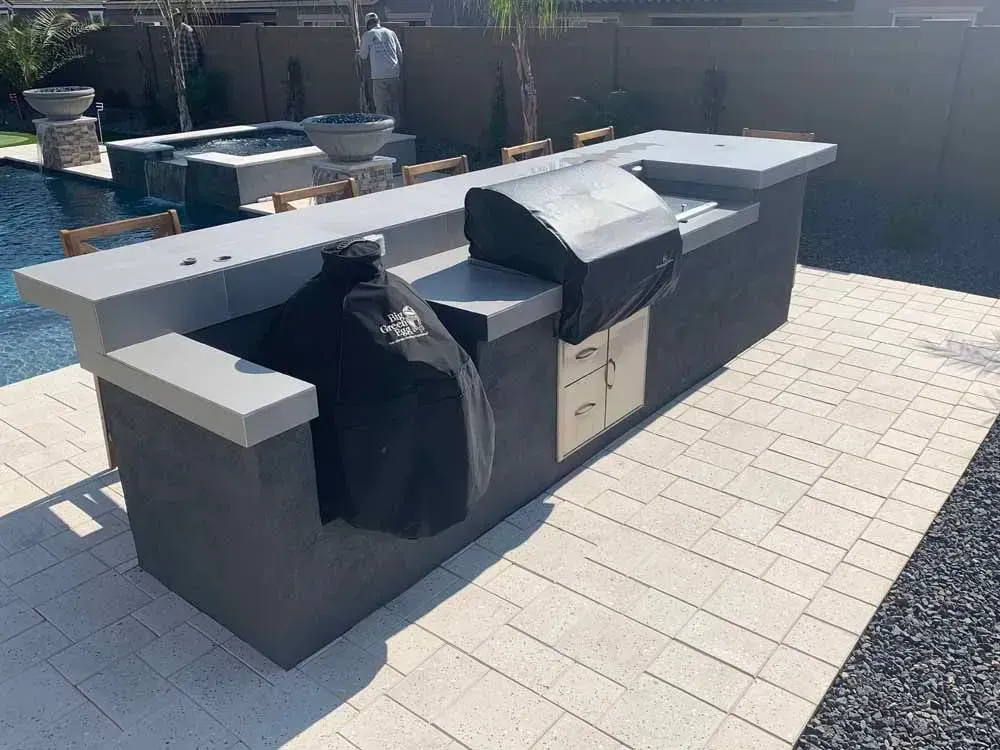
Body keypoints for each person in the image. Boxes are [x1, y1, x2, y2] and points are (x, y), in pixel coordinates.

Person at [360, 13, 403, 125]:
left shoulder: (368, 35)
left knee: (381, 107)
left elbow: (363, 56)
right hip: (394, 73)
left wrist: (358, 52)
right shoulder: (391, 33)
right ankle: (397, 129)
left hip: (379, 75)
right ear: (378, 21)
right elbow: (399, 52)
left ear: (367, 24)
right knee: (394, 105)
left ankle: (384, 130)